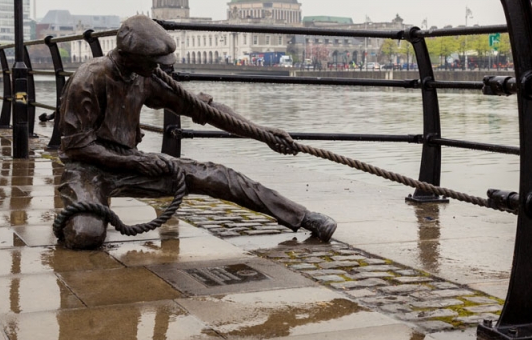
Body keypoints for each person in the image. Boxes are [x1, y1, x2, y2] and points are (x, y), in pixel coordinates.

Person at [57, 15, 337, 249]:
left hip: (130, 162)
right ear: (130, 56)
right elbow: (75, 148)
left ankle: (302, 217)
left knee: (218, 176)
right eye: (154, 60)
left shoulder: (145, 76)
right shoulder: (89, 79)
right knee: (86, 235)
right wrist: (138, 161)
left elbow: (205, 110)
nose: (161, 67)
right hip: (87, 167)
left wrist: (261, 133)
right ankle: (83, 204)